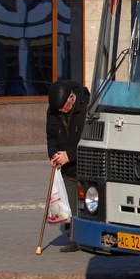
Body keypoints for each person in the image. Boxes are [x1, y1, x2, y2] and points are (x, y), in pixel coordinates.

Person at [47, 79, 90, 252]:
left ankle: (91, 236)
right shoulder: (53, 110)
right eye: (59, 109)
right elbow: (51, 136)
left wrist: (69, 155)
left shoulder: (87, 108)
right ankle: (74, 238)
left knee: (89, 202)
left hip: (86, 164)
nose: (62, 111)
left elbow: (89, 140)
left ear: (72, 98)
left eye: (64, 107)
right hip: (67, 166)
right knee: (69, 202)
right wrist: (54, 155)